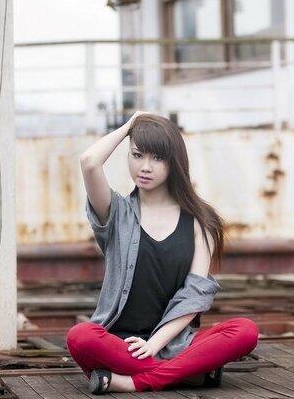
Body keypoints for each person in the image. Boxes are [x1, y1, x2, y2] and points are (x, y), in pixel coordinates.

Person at [66, 112, 259, 394]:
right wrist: (132, 124)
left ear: (175, 162)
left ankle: (133, 382)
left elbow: (194, 296)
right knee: (80, 337)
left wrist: (154, 344)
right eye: (138, 154)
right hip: (118, 347)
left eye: (158, 158)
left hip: (173, 344)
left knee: (245, 331)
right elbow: (89, 162)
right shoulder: (116, 212)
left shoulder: (200, 221)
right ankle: (188, 374)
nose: (145, 166)